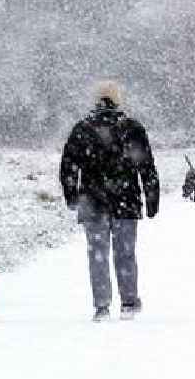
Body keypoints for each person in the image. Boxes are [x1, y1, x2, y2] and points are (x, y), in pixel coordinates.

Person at [60, 81, 159, 322]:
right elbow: (145, 165)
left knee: (98, 254)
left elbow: (68, 166)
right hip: (126, 200)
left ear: (96, 101)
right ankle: (128, 302)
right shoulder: (132, 128)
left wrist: (72, 195)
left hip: (93, 201)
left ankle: (102, 306)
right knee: (125, 253)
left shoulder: (82, 129)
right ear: (118, 100)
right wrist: (151, 196)